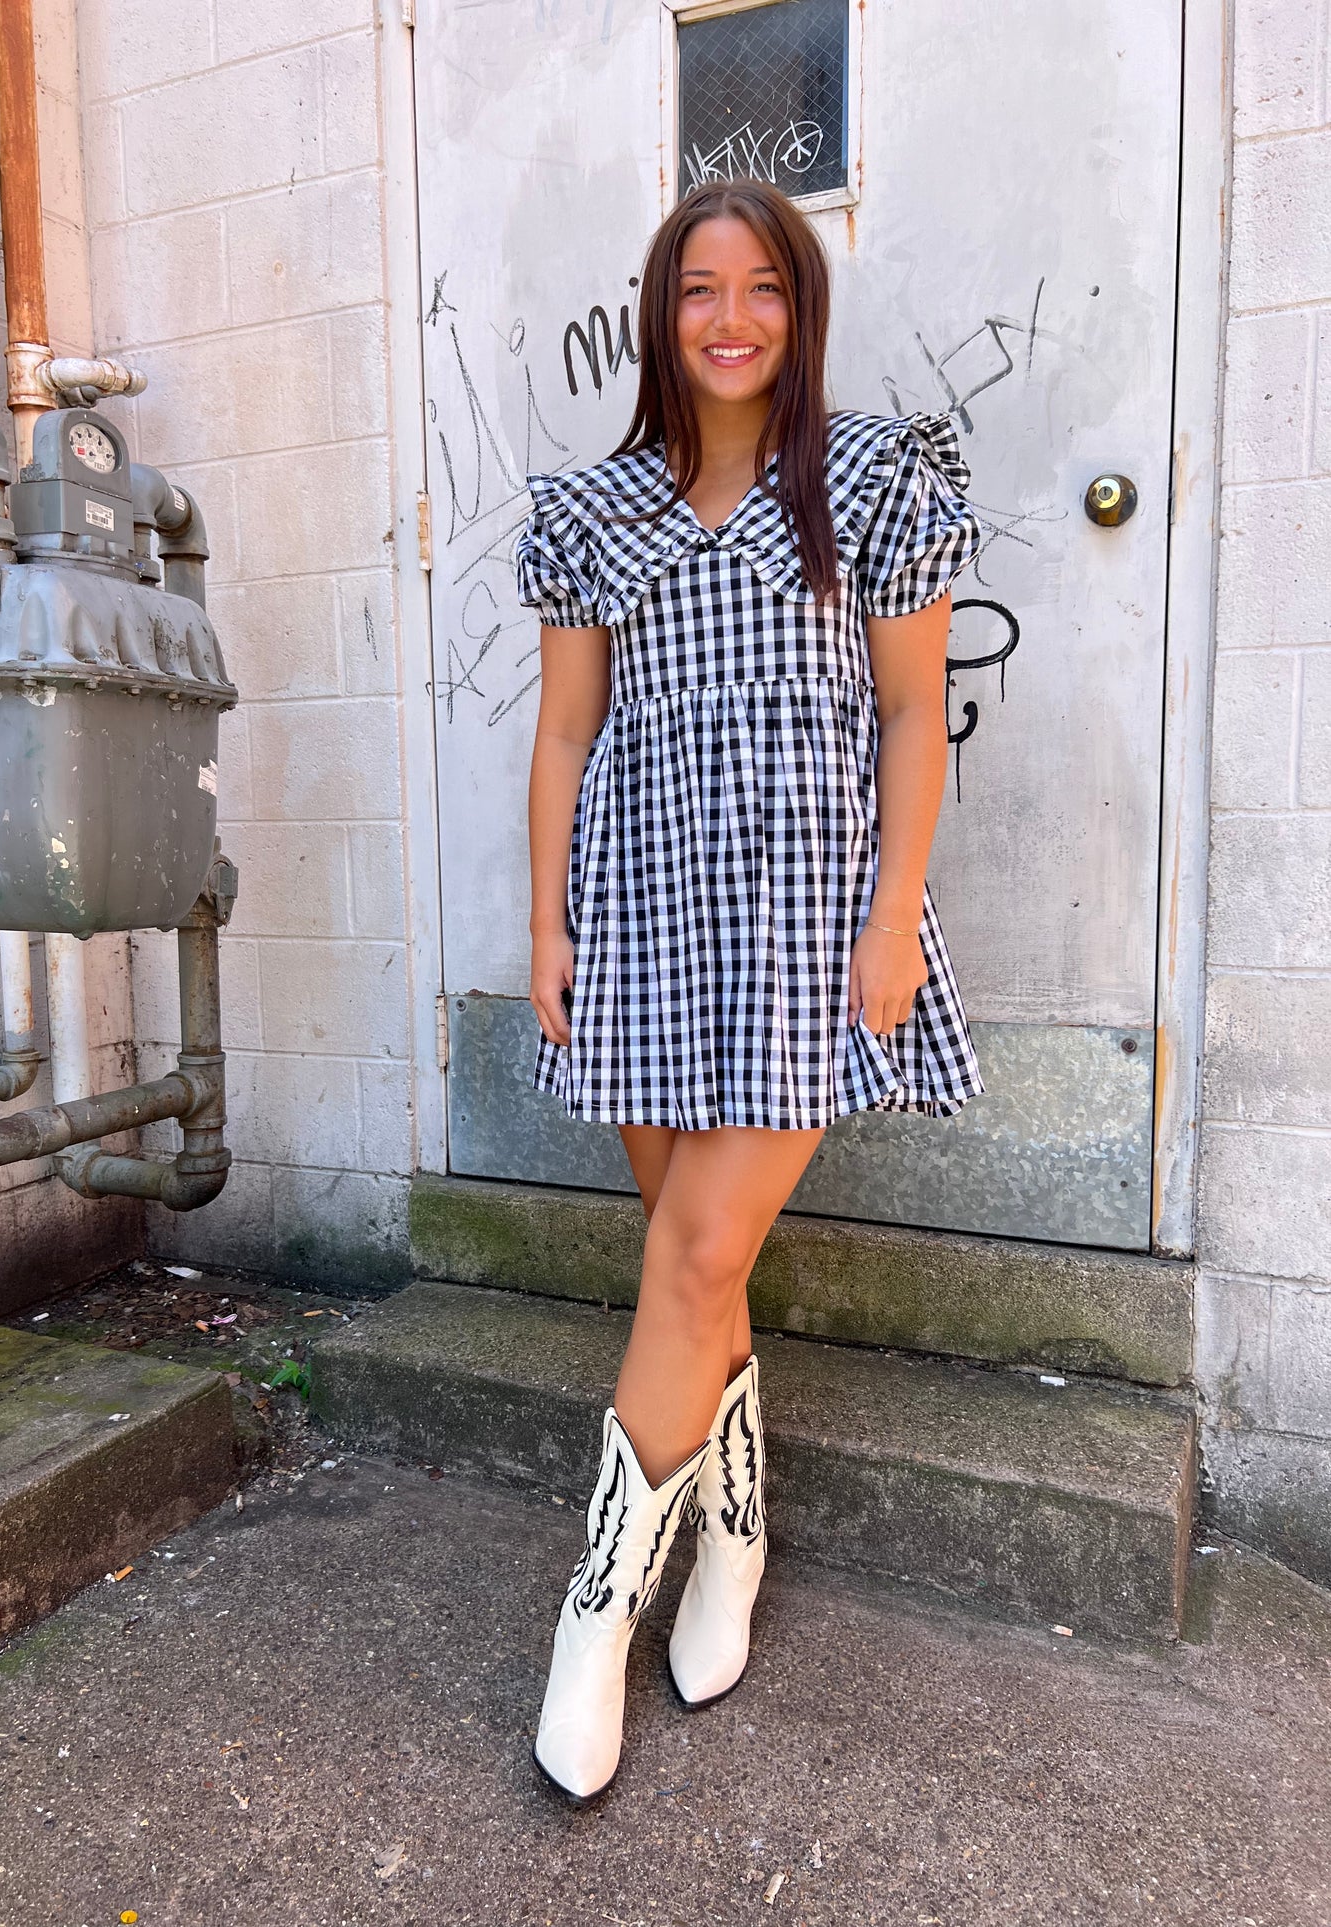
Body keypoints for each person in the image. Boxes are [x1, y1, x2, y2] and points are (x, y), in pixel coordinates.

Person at [515, 177, 983, 1805]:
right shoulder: (593, 512)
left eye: (761, 288)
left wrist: (890, 917)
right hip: (639, 928)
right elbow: (566, 732)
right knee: (685, 1272)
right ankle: (732, 1537)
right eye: (699, 290)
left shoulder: (868, 481)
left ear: (799, 308)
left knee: (699, 1250)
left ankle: (593, 1617)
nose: (730, 319)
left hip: (801, 931)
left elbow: (915, 718)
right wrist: (547, 921)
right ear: (663, 314)